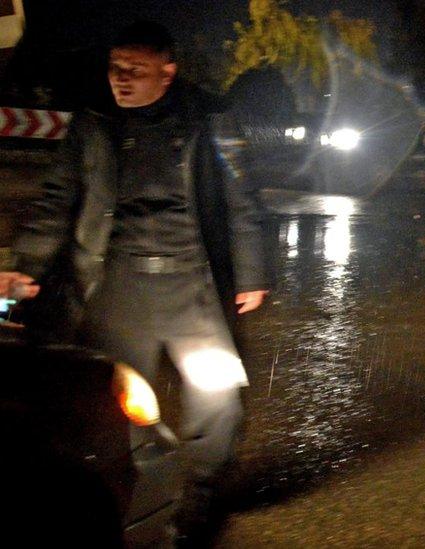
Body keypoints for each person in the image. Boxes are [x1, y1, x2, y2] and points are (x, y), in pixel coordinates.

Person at [0, 21, 270, 544]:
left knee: (216, 404)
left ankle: (199, 500)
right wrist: (26, 264)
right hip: (116, 284)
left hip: (195, 289)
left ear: (167, 73)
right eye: (114, 68)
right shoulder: (93, 122)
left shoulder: (211, 119)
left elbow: (243, 200)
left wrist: (252, 273)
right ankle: (115, 503)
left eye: (136, 70)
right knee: (111, 405)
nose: (121, 79)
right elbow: (59, 200)